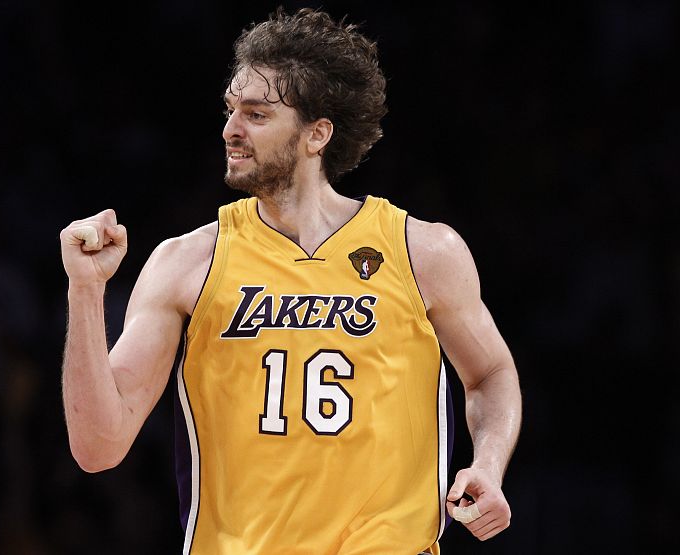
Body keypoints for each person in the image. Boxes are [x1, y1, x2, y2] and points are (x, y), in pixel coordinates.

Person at [60, 8, 521, 554]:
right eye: (231, 110)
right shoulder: (186, 263)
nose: (230, 130)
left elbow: (490, 372)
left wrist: (487, 465)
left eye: (256, 114)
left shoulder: (422, 251)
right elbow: (99, 446)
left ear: (316, 134)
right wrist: (86, 293)